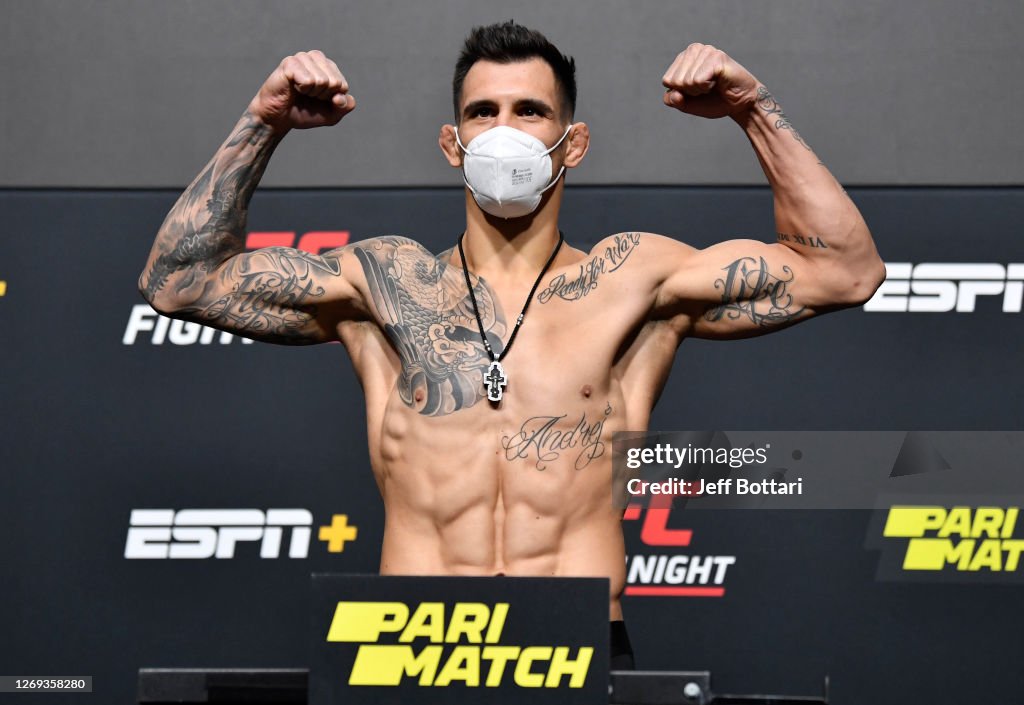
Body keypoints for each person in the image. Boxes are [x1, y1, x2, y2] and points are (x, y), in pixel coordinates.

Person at [139, 22, 884, 669]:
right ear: (451, 141)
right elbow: (179, 280)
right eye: (481, 112)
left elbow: (844, 270)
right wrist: (264, 120)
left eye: (530, 110)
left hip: (579, 643)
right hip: (410, 644)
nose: (503, 130)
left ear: (574, 142)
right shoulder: (381, 282)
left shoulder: (633, 281)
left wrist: (752, 110)